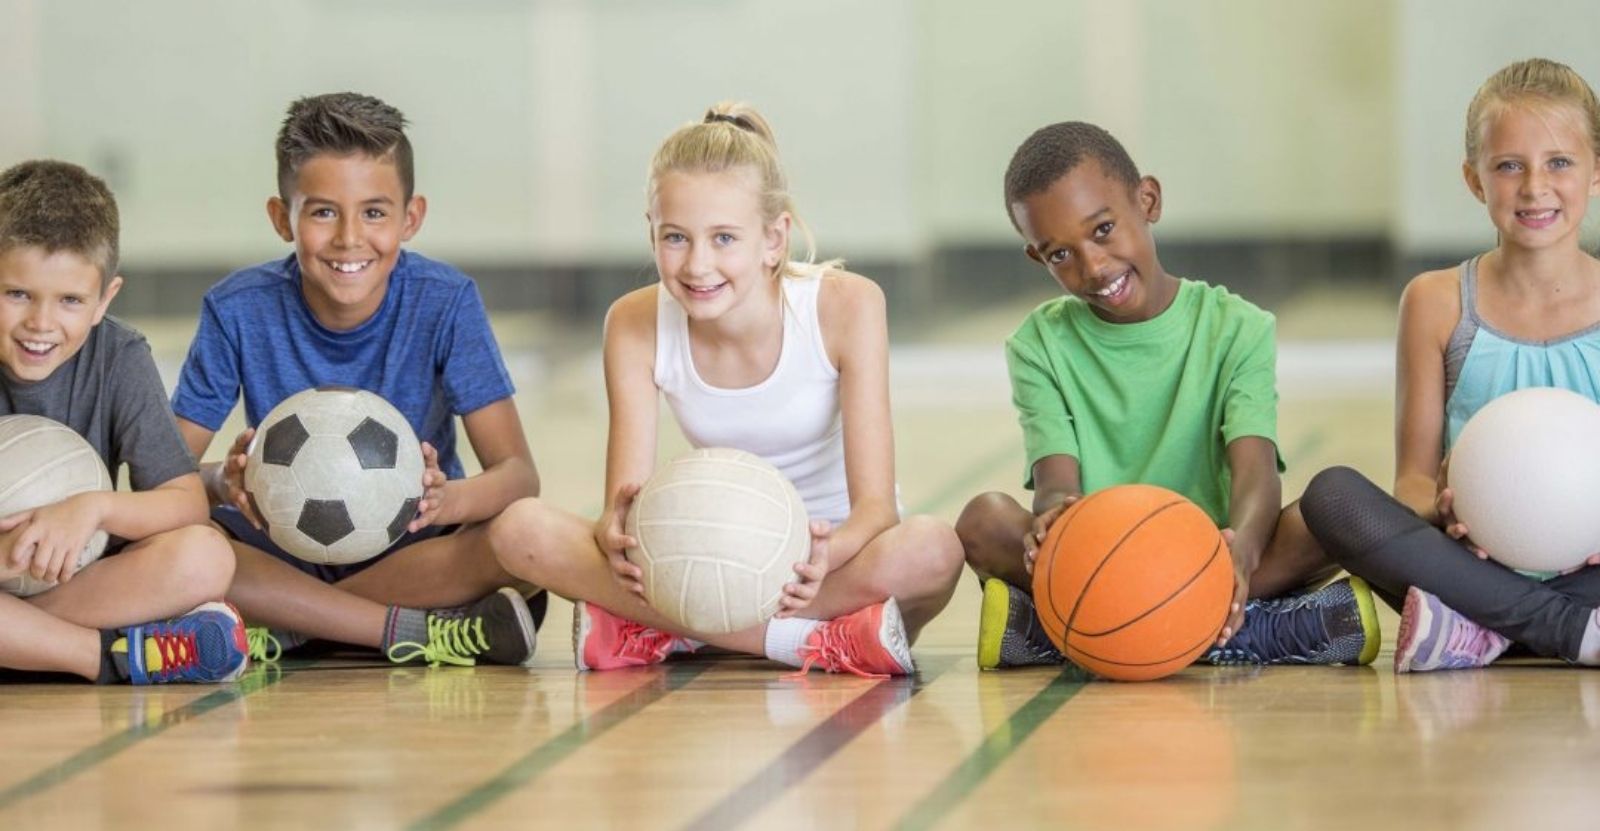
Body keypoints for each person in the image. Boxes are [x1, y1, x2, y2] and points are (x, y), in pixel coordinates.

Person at [490, 103, 964, 677]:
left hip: (832, 562)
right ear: (651, 232)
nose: (697, 265)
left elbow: (875, 512)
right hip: (705, 552)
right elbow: (624, 501)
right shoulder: (633, 323)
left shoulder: (848, 305)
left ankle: (676, 633)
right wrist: (613, 533)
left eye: (723, 238)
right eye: (675, 238)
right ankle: (811, 643)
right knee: (519, 530)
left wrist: (820, 558)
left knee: (934, 550)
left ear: (773, 238)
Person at [956, 121, 1380, 670]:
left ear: (1147, 200)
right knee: (983, 521)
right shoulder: (1038, 344)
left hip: (1213, 555)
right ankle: (1246, 630)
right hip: (1100, 557)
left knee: (1333, 510)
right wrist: (1054, 520)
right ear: (1038, 258)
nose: (1093, 266)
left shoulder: (1238, 327)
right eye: (1060, 255)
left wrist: (1242, 552)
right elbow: (1057, 483)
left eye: (1104, 229)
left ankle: (1075, 632)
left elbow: (1255, 471)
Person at [172, 92, 542, 668]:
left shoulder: (444, 302)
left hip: (411, 549)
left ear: (410, 218)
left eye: (374, 212)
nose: (349, 238)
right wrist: (225, 480)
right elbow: (163, 482)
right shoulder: (237, 310)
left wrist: (445, 503)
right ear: (281, 217)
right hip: (278, 548)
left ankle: (294, 626)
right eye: (322, 212)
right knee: (183, 547)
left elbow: (518, 475)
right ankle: (410, 630)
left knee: (520, 535)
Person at [1302, 58, 1600, 673]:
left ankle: (1482, 630)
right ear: (1475, 179)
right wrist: (1445, 511)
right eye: (1508, 165)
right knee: (1332, 496)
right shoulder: (1436, 301)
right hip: (1468, 563)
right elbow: (1411, 481)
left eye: (1560, 163)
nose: (1534, 187)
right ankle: (1566, 632)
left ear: (1596, 172)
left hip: (1588, 571)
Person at [0, 160, 246, 685]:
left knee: (205, 556)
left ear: (103, 300)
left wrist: (92, 509)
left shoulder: (118, 356)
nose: (41, 323)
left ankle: (23, 642)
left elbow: (185, 502)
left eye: (70, 300)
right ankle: (108, 656)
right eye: (17, 294)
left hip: (80, 583)